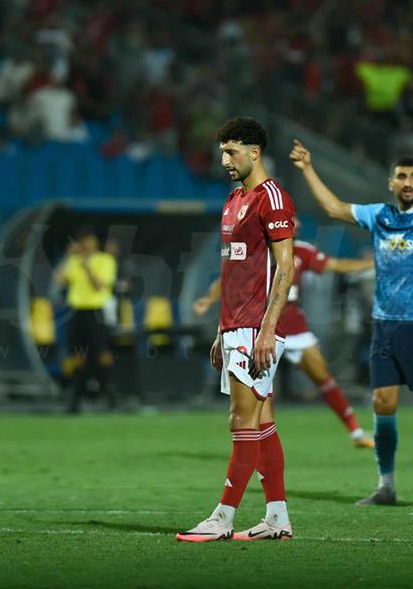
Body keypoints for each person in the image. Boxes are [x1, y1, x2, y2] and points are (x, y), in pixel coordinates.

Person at [290, 139, 413, 507]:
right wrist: (307, 169)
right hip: (384, 326)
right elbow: (334, 208)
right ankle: (386, 487)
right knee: (382, 403)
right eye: (402, 177)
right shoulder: (379, 215)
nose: (408, 182)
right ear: (391, 183)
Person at [177, 117, 296, 542]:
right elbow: (233, 270)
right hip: (235, 326)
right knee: (262, 420)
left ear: (254, 152)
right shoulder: (233, 199)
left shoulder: (272, 198)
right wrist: (221, 330)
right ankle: (277, 517)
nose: (224, 160)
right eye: (222, 152)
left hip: (256, 327)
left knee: (241, 420)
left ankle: (222, 518)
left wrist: (266, 330)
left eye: (231, 152)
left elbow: (286, 267)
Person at [194, 217, 375, 448]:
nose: (296, 224)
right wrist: (209, 299)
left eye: (295, 221)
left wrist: (371, 264)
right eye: (290, 220)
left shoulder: (302, 250)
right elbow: (228, 277)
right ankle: (259, 447)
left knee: (324, 378)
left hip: (294, 328)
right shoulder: (254, 249)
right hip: (259, 331)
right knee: (260, 393)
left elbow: (336, 265)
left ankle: (356, 433)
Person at [55, 226, 118, 413]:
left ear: (95, 242)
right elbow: (60, 281)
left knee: (102, 353)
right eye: (84, 241)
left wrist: (86, 265)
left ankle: (109, 393)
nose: (87, 245)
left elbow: (99, 286)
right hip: (77, 311)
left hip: (96, 311)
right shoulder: (73, 261)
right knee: (77, 355)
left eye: (90, 241)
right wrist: (67, 258)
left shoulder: (105, 260)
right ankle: (76, 396)